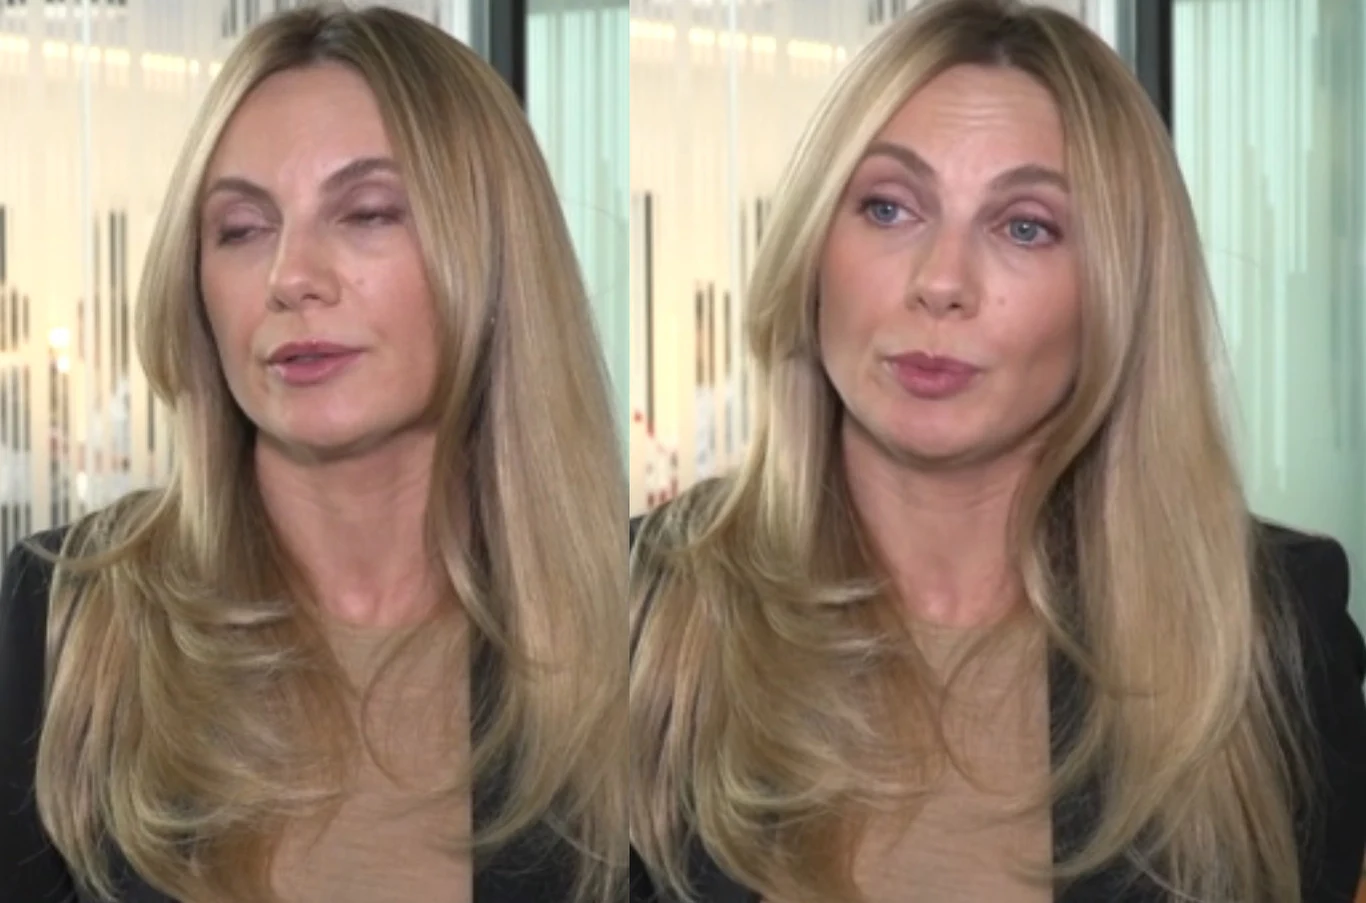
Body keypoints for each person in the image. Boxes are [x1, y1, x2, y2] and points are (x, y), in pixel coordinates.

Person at [628, 1, 1366, 902]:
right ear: (814, 248)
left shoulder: (1268, 634)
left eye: (1024, 226)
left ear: (1117, 290)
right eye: (889, 207)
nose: (941, 282)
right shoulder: (638, 612)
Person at [0, 5, 626, 903]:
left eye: (367, 212)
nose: (291, 276)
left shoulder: (635, 642)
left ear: (495, 254)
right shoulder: (63, 620)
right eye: (241, 228)